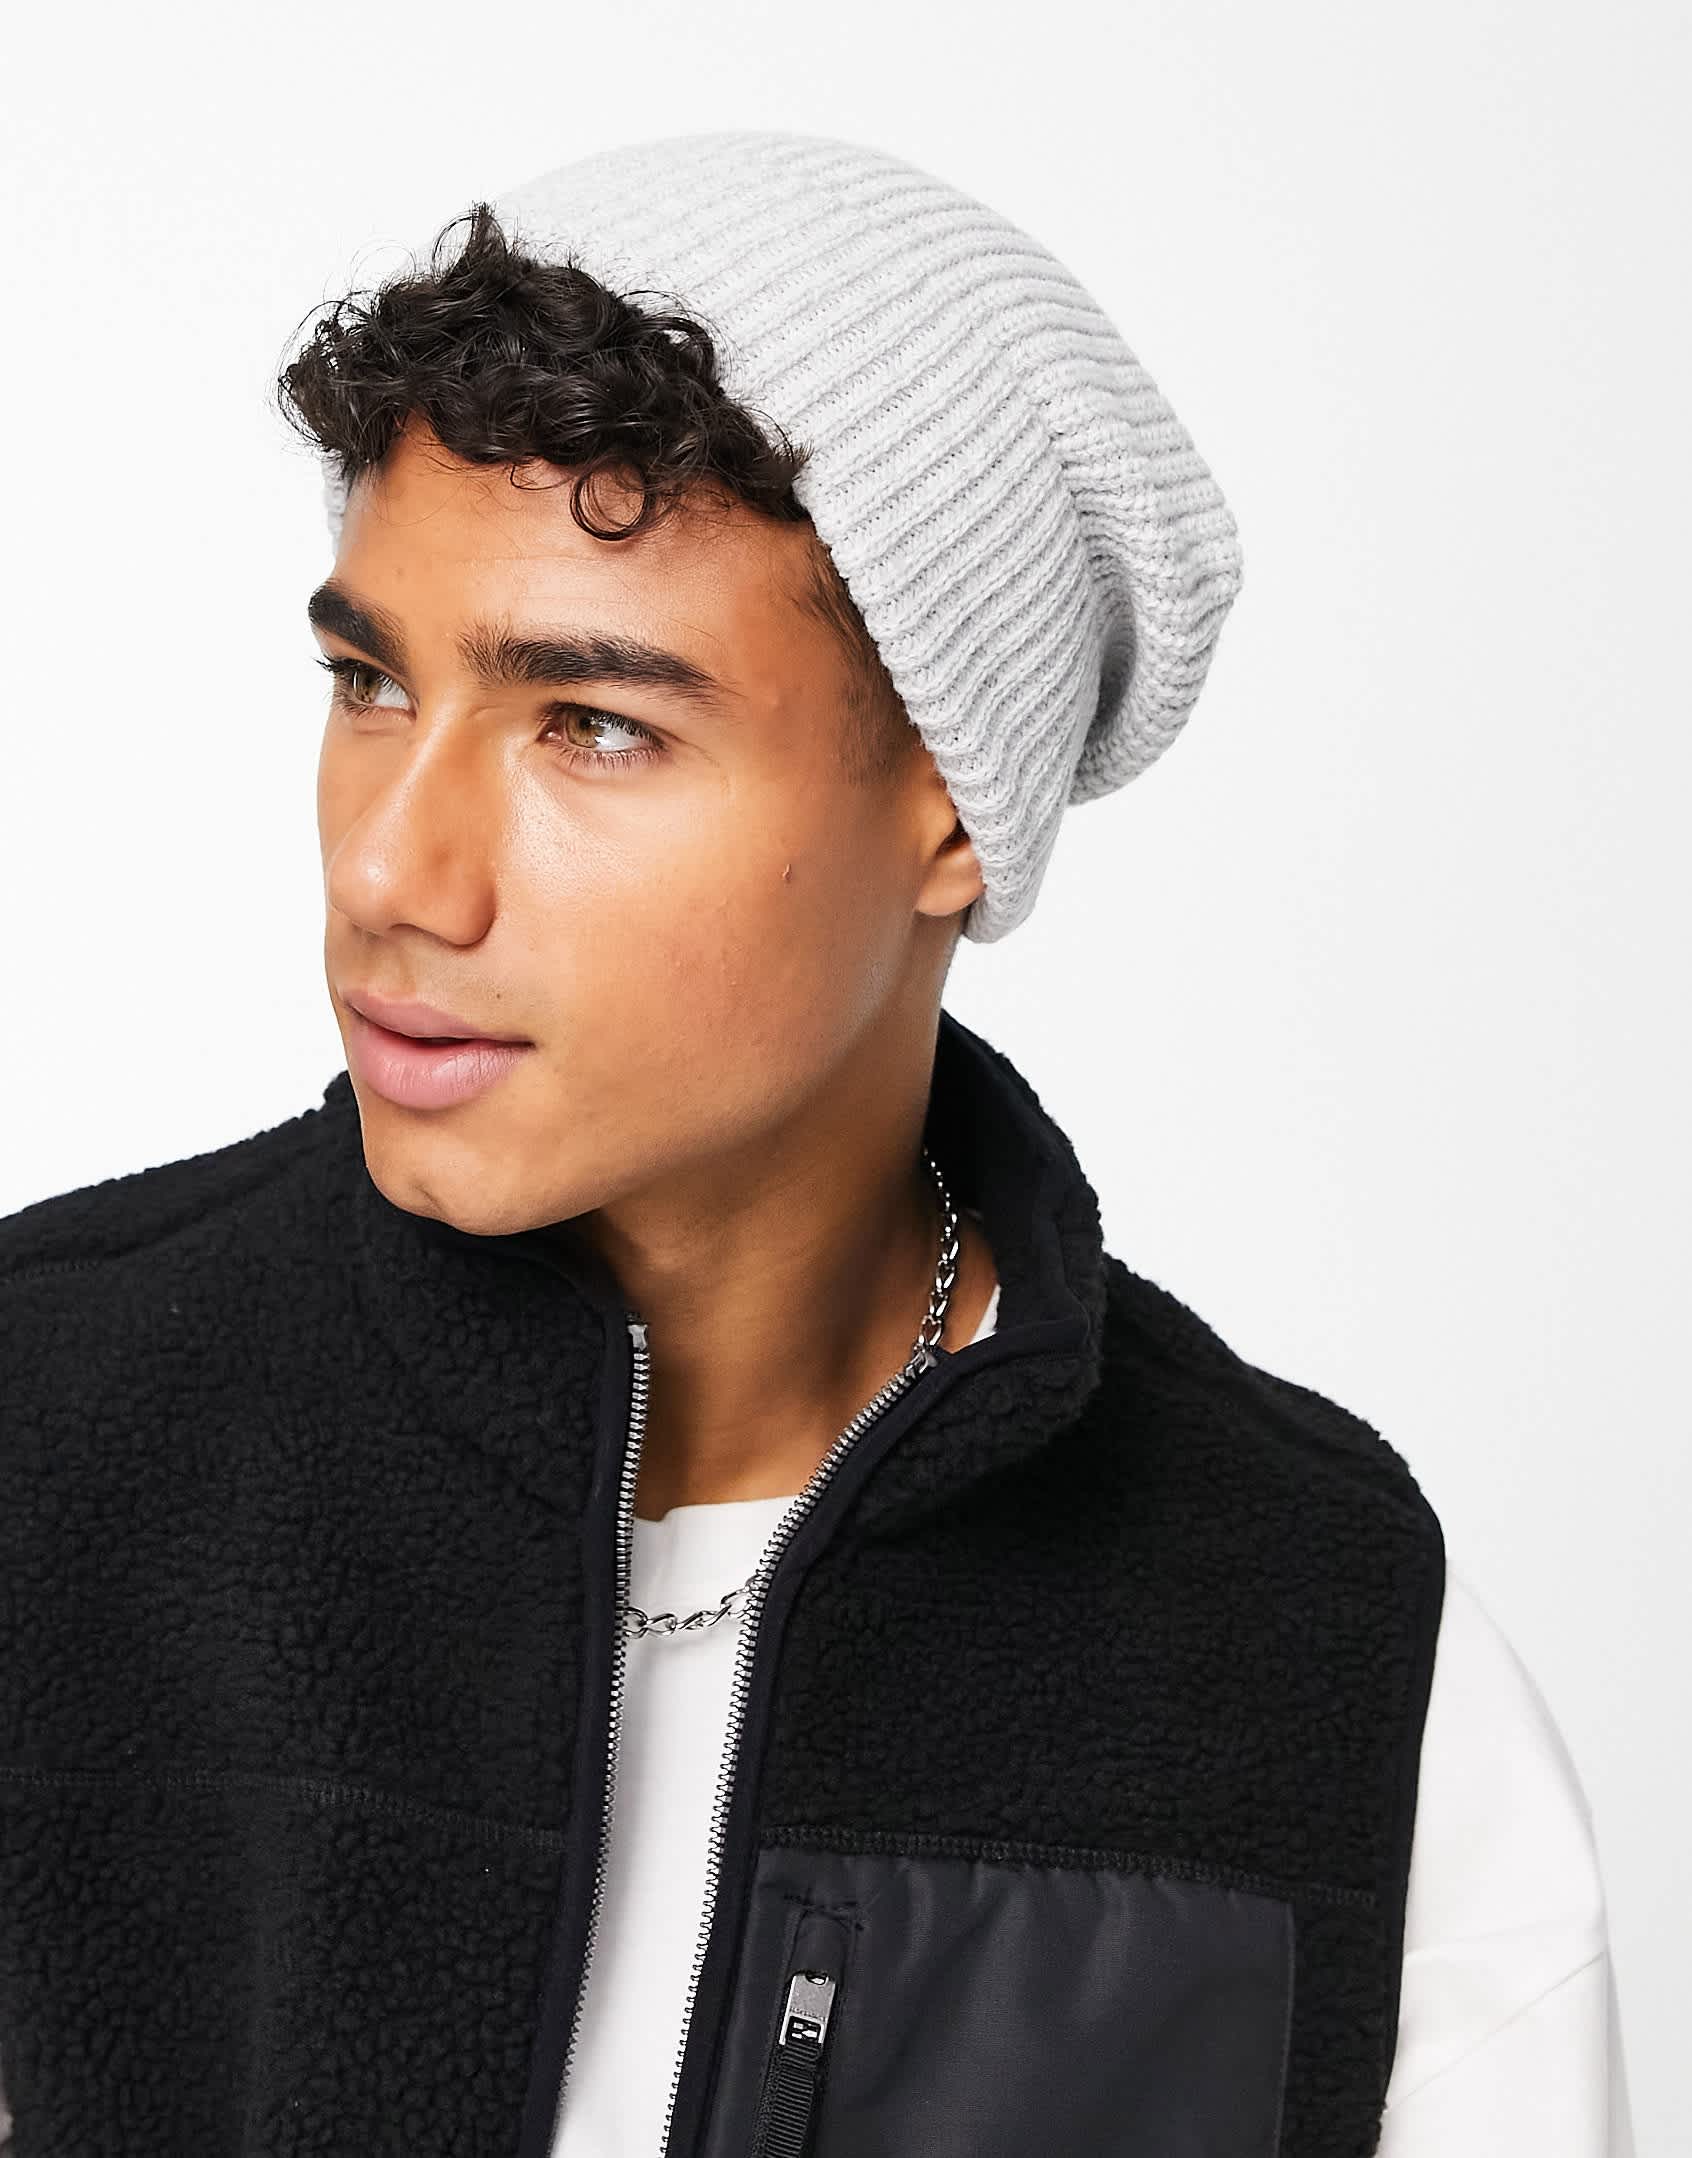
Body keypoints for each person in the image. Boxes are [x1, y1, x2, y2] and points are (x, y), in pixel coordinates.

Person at [0, 130, 1632, 2157]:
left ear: (950, 807)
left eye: (594, 723)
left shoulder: (1328, 1640)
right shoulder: (47, 1441)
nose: (391, 866)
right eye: (369, 681)